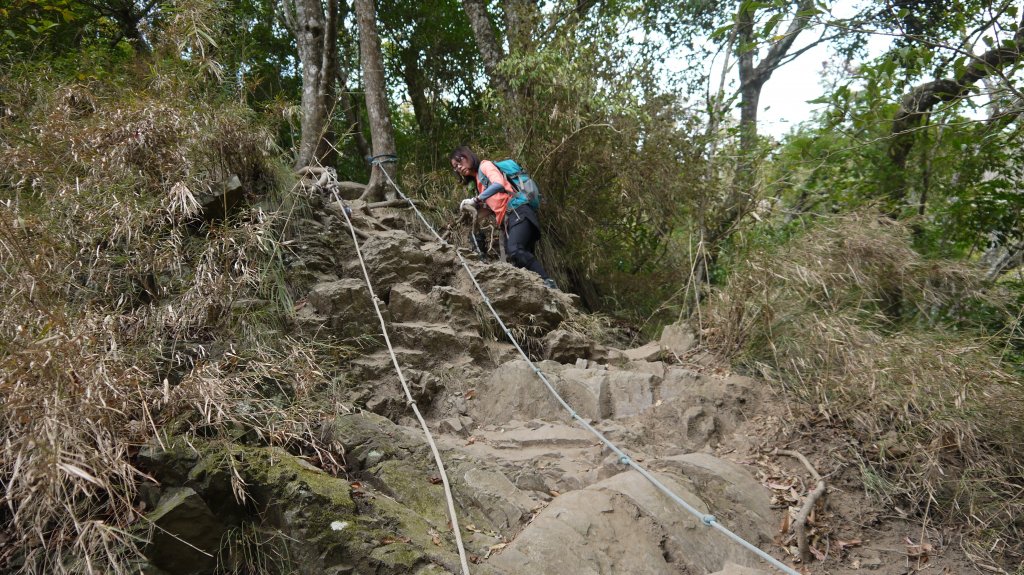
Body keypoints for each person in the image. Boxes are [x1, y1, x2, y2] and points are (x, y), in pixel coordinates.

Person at [450, 146, 557, 289]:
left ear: (468, 156)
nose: (459, 167)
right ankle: (542, 291)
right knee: (518, 261)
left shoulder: (485, 166)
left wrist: (476, 200)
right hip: (509, 220)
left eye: (459, 161)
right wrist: (470, 213)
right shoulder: (479, 183)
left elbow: (499, 184)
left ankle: (548, 283)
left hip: (518, 210)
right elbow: (492, 207)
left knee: (515, 249)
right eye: (456, 167)